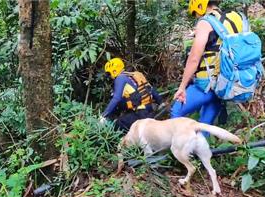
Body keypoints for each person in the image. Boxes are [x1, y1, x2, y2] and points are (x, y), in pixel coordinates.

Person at [171, 0, 246, 137]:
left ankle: (176, 150)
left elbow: (194, 58)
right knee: (205, 125)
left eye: (196, 14)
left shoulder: (205, 23)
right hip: (226, 81)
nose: (197, 17)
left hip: (208, 83)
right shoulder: (232, 18)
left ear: (199, 5)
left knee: (176, 111)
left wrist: (182, 87)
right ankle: (201, 154)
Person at [100, 58, 164, 131]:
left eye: (109, 73)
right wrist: (161, 102)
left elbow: (116, 99)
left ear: (114, 71)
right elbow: (151, 89)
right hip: (149, 109)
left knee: (117, 124)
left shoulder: (120, 78)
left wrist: (104, 115)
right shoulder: (134, 75)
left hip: (140, 114)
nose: (109, 76)